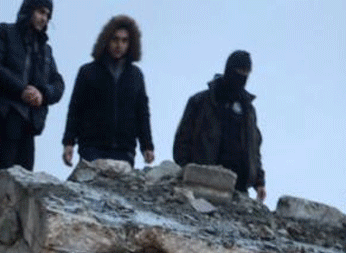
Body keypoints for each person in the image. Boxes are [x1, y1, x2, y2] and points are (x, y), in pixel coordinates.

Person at [60, 15, 154, 168]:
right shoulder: (87, 72)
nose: (119, 45)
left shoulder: (136, 76)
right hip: (92, 148)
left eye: (124, 41)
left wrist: (147, 146)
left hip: (124, 150)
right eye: (115, 39)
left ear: (131, 44)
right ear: (106, 40)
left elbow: (142, 112)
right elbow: (75, 109)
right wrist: (69, 143)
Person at [172, 50, 266, 200]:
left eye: (245, 73)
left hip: (239, 190)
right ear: (229, 70)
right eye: (238, 71)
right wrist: (188, 170)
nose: (241, 77)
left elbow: (254, 148)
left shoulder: (248, 110)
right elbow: (182, 139)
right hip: (202, 184)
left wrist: (259, 182)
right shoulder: (201, 102)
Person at [0, 0, 62, 171]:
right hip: (5, 115)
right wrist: (21, 89)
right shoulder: (5, 32)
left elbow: (58, 83)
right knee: (4, 175)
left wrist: (43, 94)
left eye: (47, 15)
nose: (44, 18)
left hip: (30, 122)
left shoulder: (46, 51)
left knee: (26, 181)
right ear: (29, 10)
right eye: (41, 12)